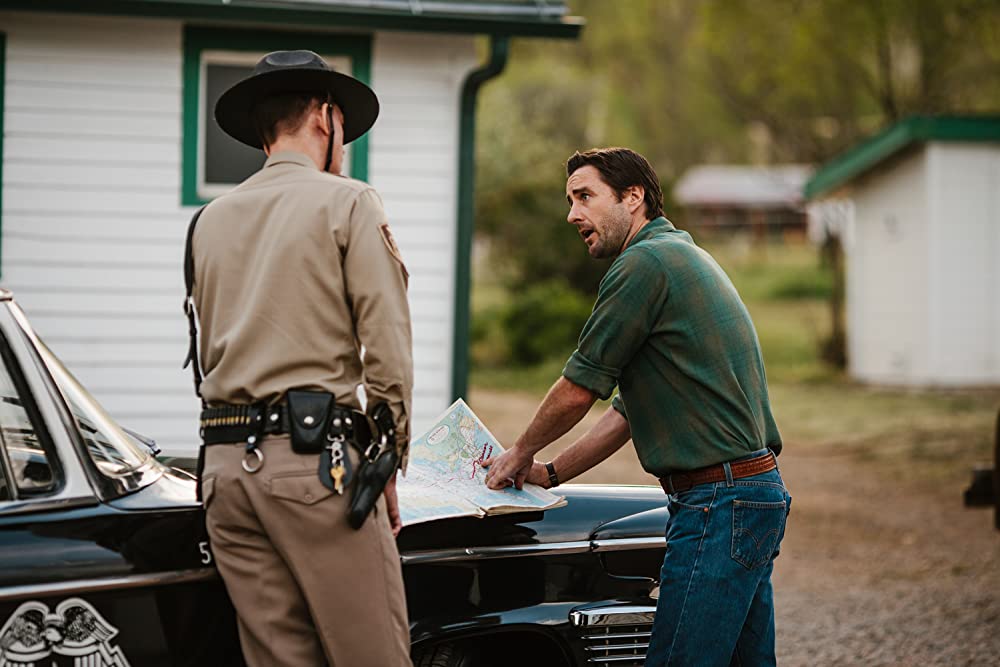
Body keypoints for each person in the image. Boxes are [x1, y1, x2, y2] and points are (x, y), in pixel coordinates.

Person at [484, 147, 791, 666]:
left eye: (585, 196)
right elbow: (626, 413)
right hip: (748, 496)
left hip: (718, 501)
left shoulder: (643, 264)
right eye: (569, 200)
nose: (572, 214)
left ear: (633, 197)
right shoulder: (677, 255)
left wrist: (517, 453)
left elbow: (580, 386)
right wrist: (550, 472)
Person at [187, 50, 412, 667]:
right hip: (317, 468)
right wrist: (387, 460)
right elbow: (386, 344)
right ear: (324, 115)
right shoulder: (349, 202)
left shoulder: (209, 219)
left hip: (225, 476)